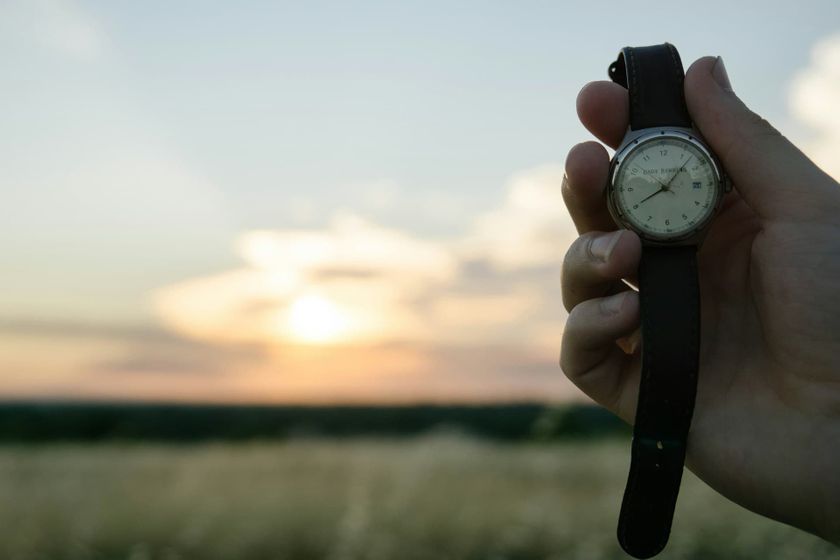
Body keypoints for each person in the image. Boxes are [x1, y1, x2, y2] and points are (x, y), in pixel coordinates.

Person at [559, 55, 840, 545]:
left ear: (718, 181)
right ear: (620, 191)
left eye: (676, 180)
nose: (665, 183)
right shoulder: (688, 171)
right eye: (652, 184)